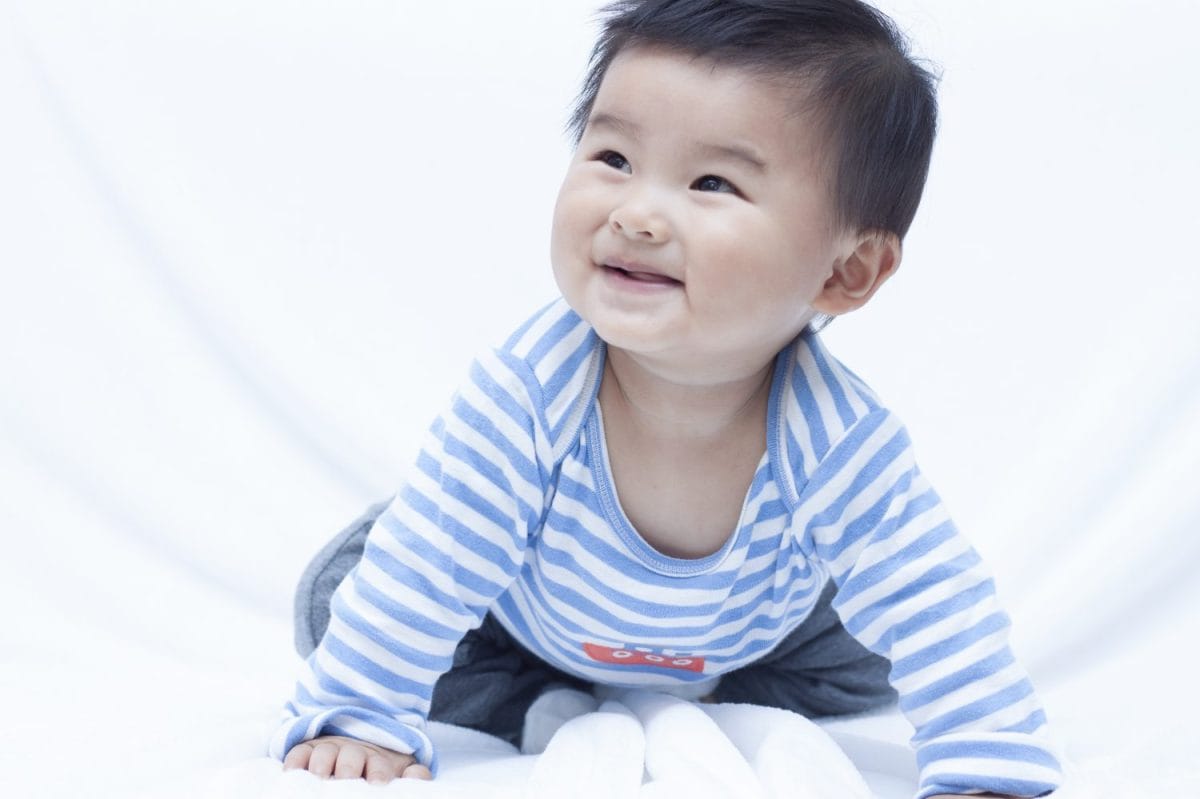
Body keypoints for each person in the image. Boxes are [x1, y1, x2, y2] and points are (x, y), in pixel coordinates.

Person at [270, 2, 1063, 796]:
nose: (637, 214)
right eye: (613, 157)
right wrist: (358, 711)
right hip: (523, 621)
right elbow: (431, 563)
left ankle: (707, 694)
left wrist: (985, 769)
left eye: (712, 182)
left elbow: (936, 601)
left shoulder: (837, 437)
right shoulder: (528, 395)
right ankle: (541, 704)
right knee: (350, 592)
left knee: (868, 655)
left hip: (751, 633)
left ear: (843, 271)